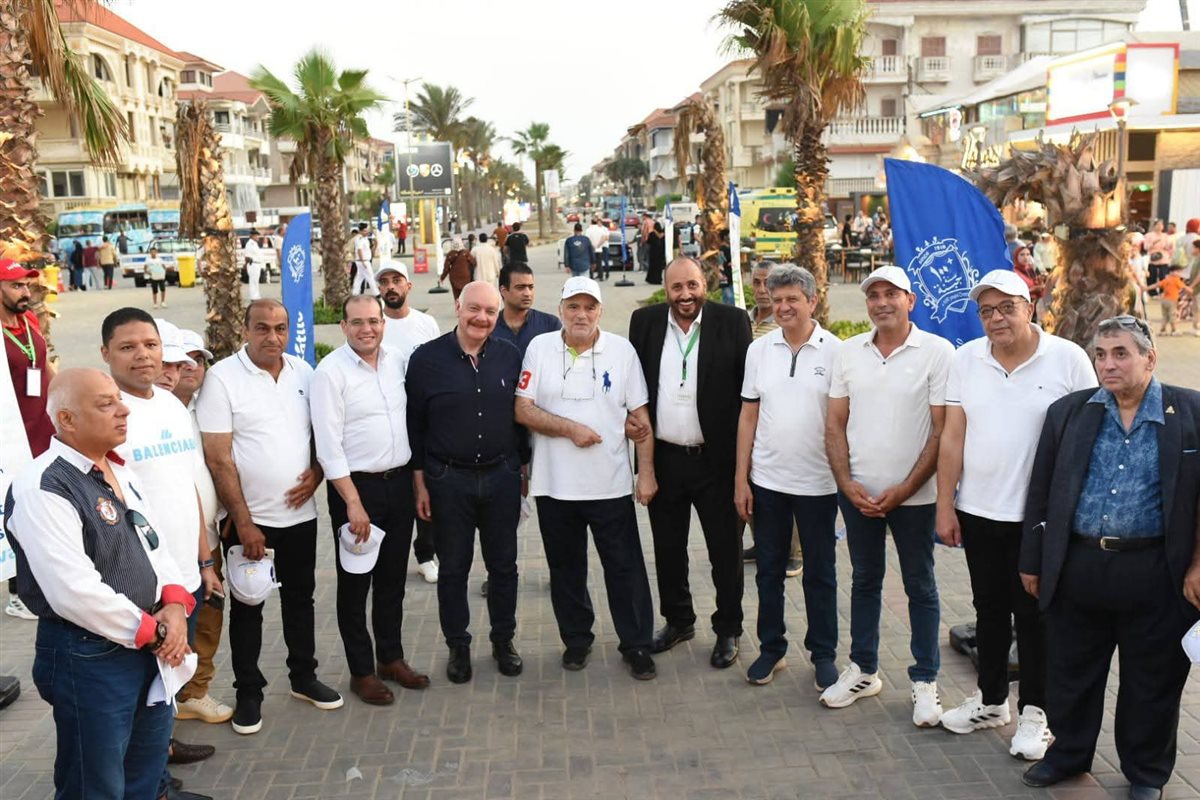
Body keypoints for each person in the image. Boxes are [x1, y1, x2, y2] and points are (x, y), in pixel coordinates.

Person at [1018, 316, 1200, 800]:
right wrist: (1033, 560)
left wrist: (1199, 564)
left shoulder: (1190, 411)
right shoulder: (1068, 413)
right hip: (1079, 566)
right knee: (1071, 672)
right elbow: (1041, 491)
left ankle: (1146, 773)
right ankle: (1067, 755)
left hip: (1157, 571)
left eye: (1121, 353)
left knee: (1152, 682)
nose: (1108, 364)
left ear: (1150, 358)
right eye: (1100, 354)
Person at [4, 367, 196, 800]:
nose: (123, 410)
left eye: (119, 400)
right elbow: (72, 590)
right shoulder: (43, 484)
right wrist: (155, 633)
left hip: (147, 645)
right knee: (96, 785)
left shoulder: (119, 471)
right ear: (67, 419)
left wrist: (173, 604)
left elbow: (154, 545)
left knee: (145, 771)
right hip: (89, 655)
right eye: (106, 404)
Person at [935, 270, 1097, 759]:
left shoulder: (1068, 358)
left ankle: (1036, 714)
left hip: (1040, 518)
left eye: (1007, 307)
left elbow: (1090, 434)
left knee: (1035, 616)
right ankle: (990, 701)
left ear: (1030, 307)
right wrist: (945, 504)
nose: (996, 318)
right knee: (988, 609)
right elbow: (953, 436)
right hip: (979, 509)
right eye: (986, 310)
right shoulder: (966, 359)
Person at [197, 299, 341, 736]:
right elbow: (218, 458)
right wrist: (243, 522)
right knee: (249, 606)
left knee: (301, 599)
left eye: (280, 328)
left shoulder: (304, 373)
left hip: (300, 516)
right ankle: (249, 693)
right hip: (251, 521)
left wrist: (317, 473)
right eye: (262, 328)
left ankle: (303, 677)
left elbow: (322, 434)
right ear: (245, 330)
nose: (272, 337)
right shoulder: (222, 378)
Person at [821, 265, 953, 727]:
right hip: (858, 495)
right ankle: (863, 669)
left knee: (920, 585)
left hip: (914, 498)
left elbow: (941, 431)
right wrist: (846, 483)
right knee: (864, 580)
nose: (881, 303)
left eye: (891, 294)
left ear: (910, 301)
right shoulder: (849, 352)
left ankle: (925, 680)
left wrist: (904, 489)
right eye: (873, 295)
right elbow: (834, 424)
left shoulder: (937, 352)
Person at [514, 276, 659, 679]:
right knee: (566, 569)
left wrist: (645, 474)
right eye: (573, 307)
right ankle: (577, 640)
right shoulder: (539, 348)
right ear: (560, 310)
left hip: (610, 483)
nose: (581, 315)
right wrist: (570, 429)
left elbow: (641, 418)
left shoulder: (622, 351)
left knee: (624, 568)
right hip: (554, 485)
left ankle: (636, 644)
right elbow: (522, 409)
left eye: (589, 307)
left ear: (600, 311)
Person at [100, 308, 218, 787]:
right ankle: (149, 784)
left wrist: (204, 560)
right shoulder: (105, 413)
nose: (143, 356)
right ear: (106, 353)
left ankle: (158, 769)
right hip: (139, 589)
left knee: (165, 687)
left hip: (183, 579)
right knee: (135, 696)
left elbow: (188, 488)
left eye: (150, 345)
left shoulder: (170, 406)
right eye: (127, 347)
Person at [627, 257, 752, 669]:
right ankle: (679, 620)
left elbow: (747, 397)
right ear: (665, 288)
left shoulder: (732, 322)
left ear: (706, 285)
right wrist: (643, 464)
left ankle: (728, 627)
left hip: (716, 460)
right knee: (668, 548)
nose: (685, 295)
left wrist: (744, 471)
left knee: (725, 551)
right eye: (677, 287)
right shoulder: (644, 323)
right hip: (665, 458)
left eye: (692, 285)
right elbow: (635, 389)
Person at [312, 295, 430, 706]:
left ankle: (391, 659)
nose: (367, 329)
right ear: (343, 327)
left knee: (392, 581)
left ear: (384, 323)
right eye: (358, 322)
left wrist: (417, 486)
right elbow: (328, 447)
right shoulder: (330, 374)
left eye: (374, 321)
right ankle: (361, 672)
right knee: (355, 585)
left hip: (399, 485)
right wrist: (352, 502)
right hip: (356, 490)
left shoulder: (398, 360)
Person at [405, 282, 525, 685]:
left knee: (504, 566)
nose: (481, 318)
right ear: (458, 306)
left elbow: (521, 417)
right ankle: (458, 646)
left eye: (490, 311)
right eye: (474, 308)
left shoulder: (510, 355)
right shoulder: (426, 360)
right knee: (454, 568)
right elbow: (415, 426)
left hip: (501, 477)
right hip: (447, 480)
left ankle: (503, 640)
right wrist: (420, 484)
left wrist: (522, 470)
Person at [734, 265, 841, 689]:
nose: (783, 307)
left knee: (820, 574)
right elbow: (748, 416)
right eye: (777, 299)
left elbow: (844, 421)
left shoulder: (836, 352)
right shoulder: (759, 351)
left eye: (792, 299)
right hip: (768, 482)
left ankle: (824, 654)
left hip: (819, 484)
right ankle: (771, 648)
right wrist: (741, 479)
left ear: (812, 301)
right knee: (769, 571)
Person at [169, 329, 235, 726]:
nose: (191, 367)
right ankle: (167, 700)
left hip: (208, 537)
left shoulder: (205, 407)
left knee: (208, 617)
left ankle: (195, 691)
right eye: (181, 360)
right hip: (168, 545)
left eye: (198, 359)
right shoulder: (149, 412)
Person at [373, 262, 441, 583]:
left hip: (424, 420)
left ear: (408, 286)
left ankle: (426, 553)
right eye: (384, 281)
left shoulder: (426, 324)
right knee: (397, 493)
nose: (391, 286)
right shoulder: (375, 325)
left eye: (396, 280)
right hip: (387, 421)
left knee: (426, 489)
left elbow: (439, 366)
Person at [739, 261, 802, 573]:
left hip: (780, 416)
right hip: (750, 409)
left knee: (786, 485)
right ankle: (760, 541)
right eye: (757, 282)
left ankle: (794, 551)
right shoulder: (743, 320)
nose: (762, 289)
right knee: (754, 480)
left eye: (768, 283)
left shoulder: (785, 324)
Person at [1, 260, 53, 622]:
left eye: (27, 285)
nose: (26, 292)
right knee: (13, 510)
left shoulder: (29, 322)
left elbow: (44, 367)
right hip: (10, 437)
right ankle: (19, 593)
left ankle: (42, 581)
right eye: (16, 285)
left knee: (40, 507)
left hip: (42, 430)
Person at [1147, 262, 1188, 336]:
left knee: (1165, 316)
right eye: (1178, 272)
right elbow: (1184, 287)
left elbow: (1157, 285)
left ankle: (1162, 330)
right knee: (1173, 316)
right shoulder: (1176, 280)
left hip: (1164, 300)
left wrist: (1146, 288)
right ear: (1172, 272)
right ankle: (1174, 330)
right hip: (1172, 301)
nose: (1180, 274)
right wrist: (1191, 290)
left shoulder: (1166, 279)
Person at [351, 223, 379, 296]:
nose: (366, 232)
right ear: (360, 231)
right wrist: (363, 261)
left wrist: (374, 248)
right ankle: (376, 293)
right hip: (363, 261)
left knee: (359, 278)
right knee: (370, 277)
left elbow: (376, 240)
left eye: (367, 230)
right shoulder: (359, 239)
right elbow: (359, 250)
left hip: (364, 261)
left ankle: (355, 293)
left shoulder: (366, 237)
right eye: (364, 231)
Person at [242, 230, 268, 302]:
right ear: (252, 236)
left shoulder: (255, 244)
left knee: (256, 281)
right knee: (253, 281)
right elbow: (247, 256)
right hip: (252, 264)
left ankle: (256, 296)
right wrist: (246, 265)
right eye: (256, 236)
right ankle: (253, 297)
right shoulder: (249, 244)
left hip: (257, 264)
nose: (258, 237)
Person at [585, 217, 610, 281]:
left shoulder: (589, 230)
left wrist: (592, 246)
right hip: (599, 249)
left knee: (591, 263)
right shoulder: (600, 229)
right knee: (599, 263)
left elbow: (587, 239)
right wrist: (599, 245)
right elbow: (604, 238)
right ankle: (601, 276)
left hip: (591, 249)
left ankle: (591, 276)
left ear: (591, 223)